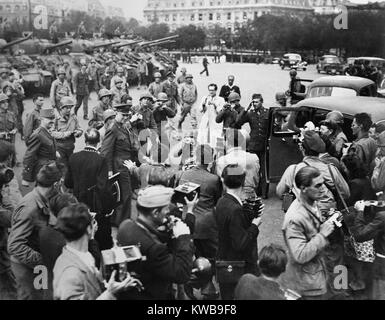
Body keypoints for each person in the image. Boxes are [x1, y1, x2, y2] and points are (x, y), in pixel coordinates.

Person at [117, 185, 196, 299]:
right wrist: (183, 237)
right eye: (166, 208)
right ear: (155, 213)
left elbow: (147, 237)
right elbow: (181, 274)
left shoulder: (126, 226)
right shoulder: (155, 249)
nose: (168, 211)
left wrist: (168, 230)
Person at [53, 203, 140, 300]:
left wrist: (111, 287)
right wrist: (110, 293)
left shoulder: (82, 255)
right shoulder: (71, 275)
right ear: (89, 229)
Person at [8, 162, 63, 300]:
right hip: (26, 269)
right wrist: (43, 260)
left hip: (37, 267)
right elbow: (15, 245)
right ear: (56, 184)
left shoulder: (44, 200)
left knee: (42, 295)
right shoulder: (30, 207)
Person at [282, 166, 335, 299]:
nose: (323, 188)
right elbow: (299, 255)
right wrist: (322, 234)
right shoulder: (294, 218)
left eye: (323, 183)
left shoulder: (312, 202)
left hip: (317, 276)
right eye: (318, 185)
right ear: (303, 188)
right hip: (306, 286)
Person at [176, 144, 222, 298]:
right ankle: (207, 286)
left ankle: (189, 283)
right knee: (211, 257)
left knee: (188, 255)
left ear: (195, 157)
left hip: (187, 221)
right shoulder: (214, 179)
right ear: (210, 160)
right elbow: (217, 201)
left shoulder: (183, 175)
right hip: (207, 224)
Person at [215, 164, 262, 300]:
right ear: (243, 181)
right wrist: (254, 225)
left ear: (223, 180)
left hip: (224, 261)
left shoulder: (222, 201)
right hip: (237, 266)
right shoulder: (235, 209)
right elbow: (240, 243)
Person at [65, 128, 113, 251]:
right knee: (100, 237)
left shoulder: (73, 157)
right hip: (95, 205)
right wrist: (108, 208)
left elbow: (68, 183)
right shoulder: (101, 160)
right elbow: (103, 188)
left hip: (77, 203)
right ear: (98, 142)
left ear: (85, 140)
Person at [101, 103, 139, 226]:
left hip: (127, 165)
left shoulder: (123, 126)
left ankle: (121, 220)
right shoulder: (113, 129)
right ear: (116, 113)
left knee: (124, 194)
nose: (125, 118)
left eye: (127, 115)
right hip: (119, 167)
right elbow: (106, 152)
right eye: (123, 115)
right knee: (125, 195)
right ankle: (123, 222)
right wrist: (109, 170)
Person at [344, 199, 385, 299]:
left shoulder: (382, 216)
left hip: (382, 263)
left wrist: (360, 211)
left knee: (378, 294)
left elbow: (359, 234)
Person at [236, 93, 269, 198]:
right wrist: (245, 109)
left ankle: (263, 193)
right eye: (253, 102)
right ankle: (254, 190)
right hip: (253, 145)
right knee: (253, 168)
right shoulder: (250, 113)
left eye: (257, 102)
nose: (254, 104)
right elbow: (238, 122)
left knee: (264, 170)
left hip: (264, 145)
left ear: (261, 102)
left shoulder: (267, 112)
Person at [216, 129, 260, 200]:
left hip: (231, 197)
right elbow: (256, 180)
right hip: (250, 196)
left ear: (227, 142)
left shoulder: (222, 161)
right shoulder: (254, 158)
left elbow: (223, 185)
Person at [22, 108, 57, 187]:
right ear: (41, 119)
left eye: (53, 118)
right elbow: (29, 155)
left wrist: (55, 152)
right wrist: (26, 177)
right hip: (42, 169)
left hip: (50, 166)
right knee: (43, 192)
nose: (52, 121)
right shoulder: (38, 134)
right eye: (49, 119)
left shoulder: (48, 131)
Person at [51, 96, 83, 170]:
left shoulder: (73, 117)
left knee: (71, 167)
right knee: (62, 167)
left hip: (70, 146)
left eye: (70, 108)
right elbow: (51, 133)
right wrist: (64, 134)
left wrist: (78, 133)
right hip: (60, 147)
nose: (69, 110)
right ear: (61, 108)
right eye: (67, 108)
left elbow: (80, 128)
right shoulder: (55, 118)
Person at [197, 84, 225, 149]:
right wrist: (203, 105)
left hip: (215, 121)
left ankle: (214, 152)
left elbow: (221, 112)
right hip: (206, 121)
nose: (211, 92)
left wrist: (215, 105)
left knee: (214, 139)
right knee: (204, 138)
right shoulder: (205, 98)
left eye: (212, 90)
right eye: (209, 90)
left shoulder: (220, 99)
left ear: (216, 90)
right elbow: (200, 110)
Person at [371, 131, 385, 198]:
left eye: (380, 147)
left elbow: (377, 185)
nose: (379, 150)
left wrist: (377, 167)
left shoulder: (383, 162)